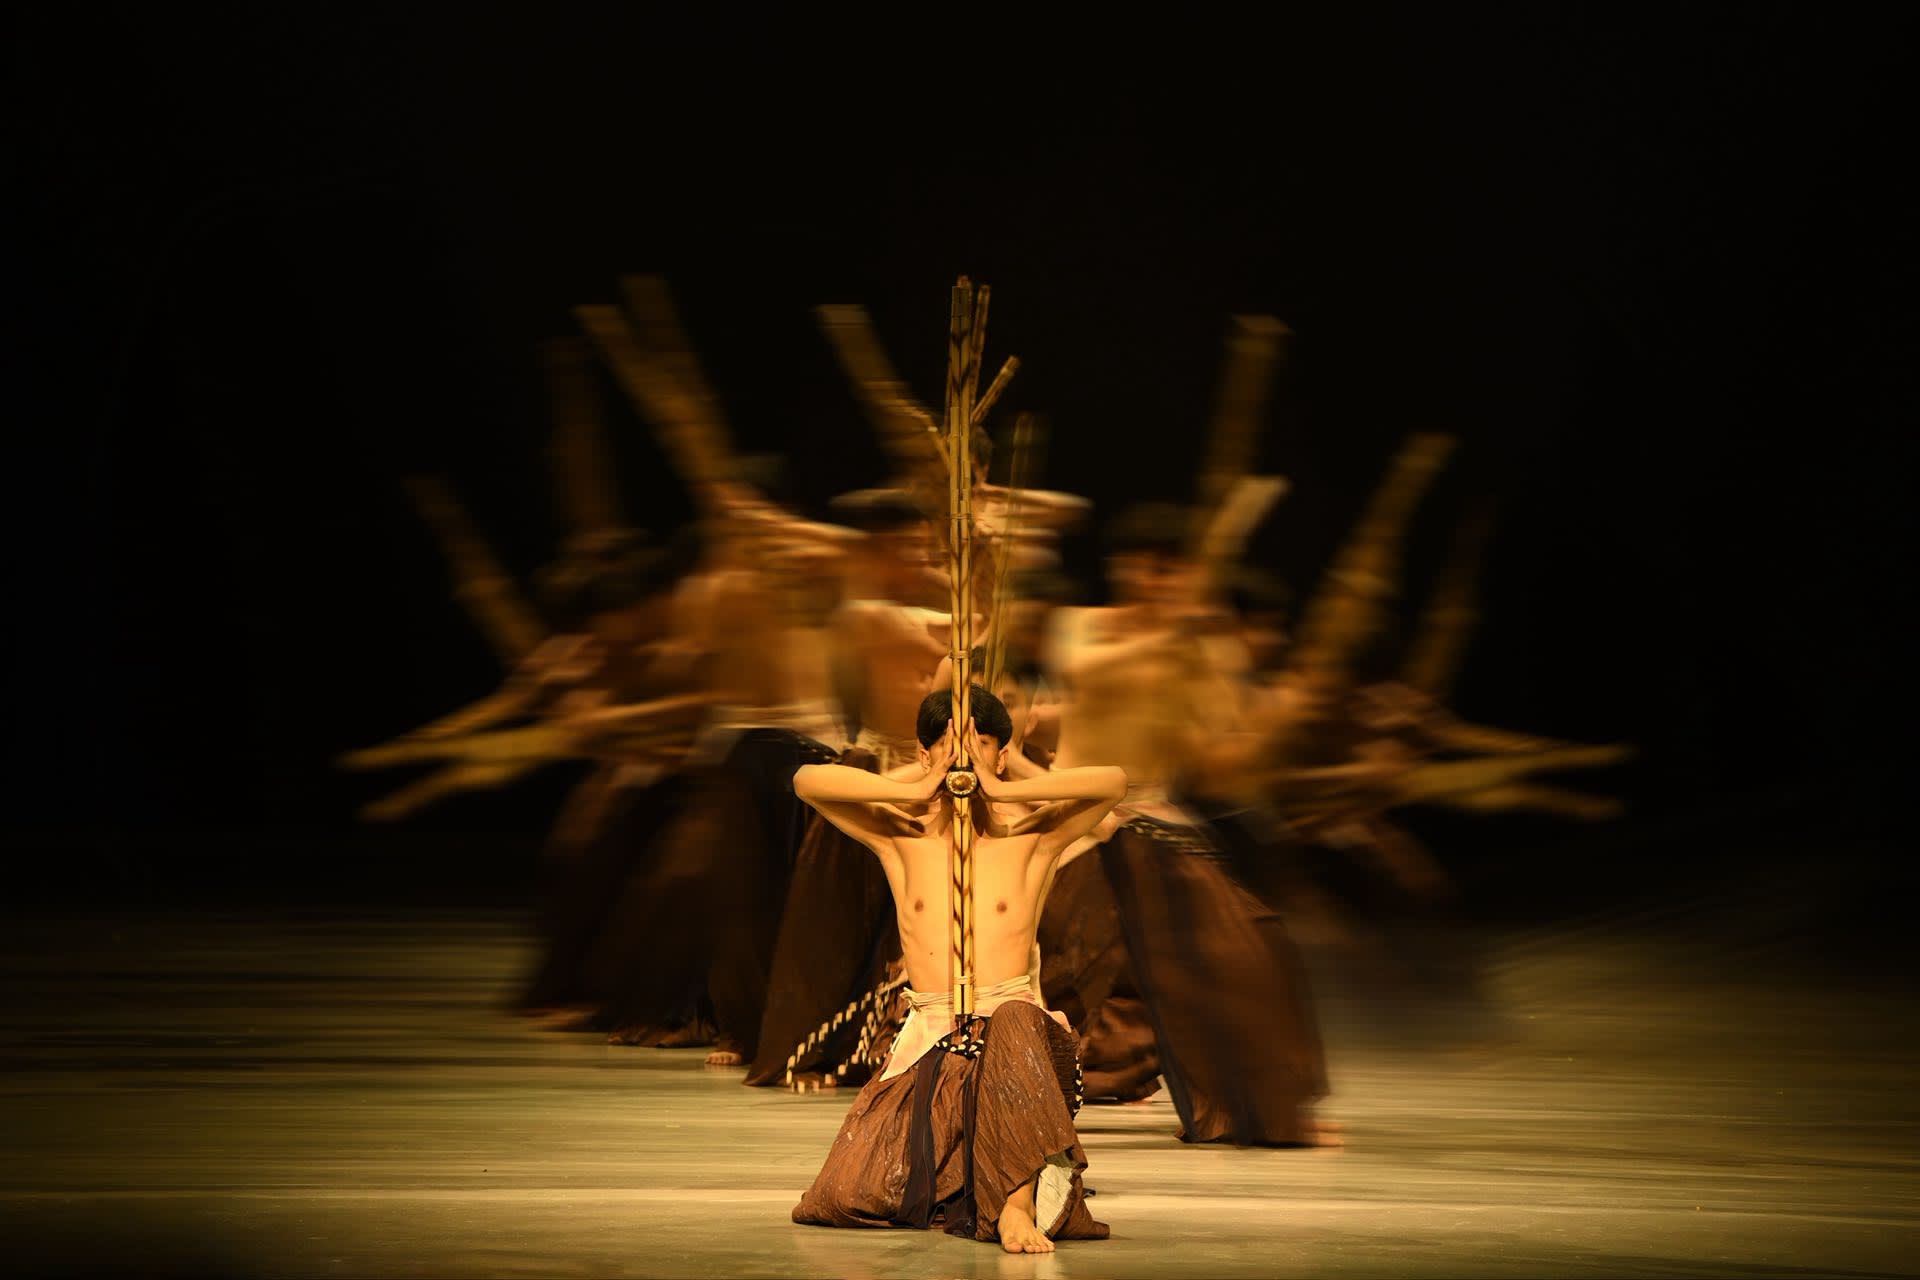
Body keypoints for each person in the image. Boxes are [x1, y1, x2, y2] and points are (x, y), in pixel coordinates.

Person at [788, 686, 1120, 1251]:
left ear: (1000, 753)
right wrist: (918, 786)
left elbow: (1113, 783)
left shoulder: (1033, 839)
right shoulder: (899, 839)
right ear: (924, 754)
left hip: (1015, 1038)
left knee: (1013, 1019)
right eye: (945, 746)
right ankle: (975, 1183)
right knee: (843, 1197)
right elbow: (807, 781)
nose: (961, 758)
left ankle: (1017, 1204)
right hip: (932, 1042)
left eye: (979, 745)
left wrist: (1003, 785)